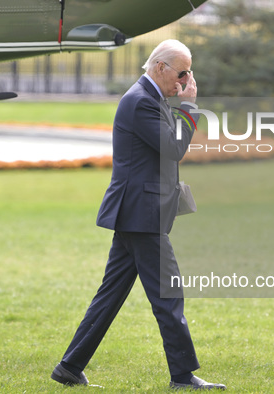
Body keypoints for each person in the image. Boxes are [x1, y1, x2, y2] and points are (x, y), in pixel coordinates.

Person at [51, 39, 225, 390]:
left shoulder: (150, 98)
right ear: (160, 67)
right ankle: (182, 376)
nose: (185, 80)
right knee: (168, 294)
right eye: (182, 72)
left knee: (110, 296)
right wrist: (188, 107)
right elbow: (173, 149)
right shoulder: (141, 102)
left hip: (139, 213)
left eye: (189, 73)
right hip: (141, 215)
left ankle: (69, 367)